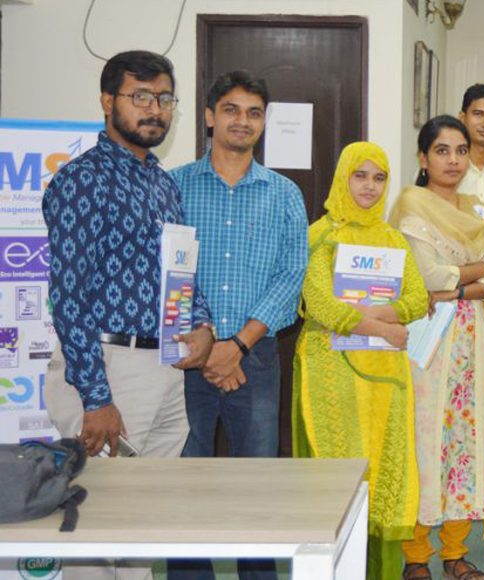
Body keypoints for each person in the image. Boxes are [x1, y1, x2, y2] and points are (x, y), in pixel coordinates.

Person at [41, 49, 215, 579]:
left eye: (164, 98)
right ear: (107, 101)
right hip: (106, 367)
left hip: (164, 368)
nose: (154, 109)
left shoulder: (161, 182)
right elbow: (68, 296)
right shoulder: (83, 180)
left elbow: (179, 268)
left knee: (145, 523)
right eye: (140, 96)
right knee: (95, 527)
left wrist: (202, 323)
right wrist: (96, 398)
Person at [167, 70, 308, 580]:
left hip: (257, 357)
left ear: (264, 122)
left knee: (256, 485)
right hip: (185, 356)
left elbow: (291, 275)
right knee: (185, 480)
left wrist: (239, 346)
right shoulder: (174, 186)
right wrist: (210, 346)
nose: (242, 121)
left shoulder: (284, 193)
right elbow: (168, 270)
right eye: (231, 109)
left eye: (253, 112)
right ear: (209, 117)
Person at [292, 142, 428, 580]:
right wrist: (384, 327)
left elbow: (417, 299)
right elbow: (321, 305)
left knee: (384, 472)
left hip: (384, 377)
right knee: (335, 474)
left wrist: (373, 316)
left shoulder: (392, 240)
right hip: (330, 373)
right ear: (342, 178)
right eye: (360, 175)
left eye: (379, 177)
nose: (370, 186)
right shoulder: (321, 235)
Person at [389, 115, 484, 580]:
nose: (454, 160)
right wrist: (478, 270)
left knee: (467, 438)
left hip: (470, 337)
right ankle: (416, 556)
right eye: (442, 150)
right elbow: (426, 276)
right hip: (426, 337)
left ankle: (456, 553)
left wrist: (458, 288)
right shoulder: (410, 206)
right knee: (424, 442)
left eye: (461, 150)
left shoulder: (478, 211)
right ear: (423, 157)